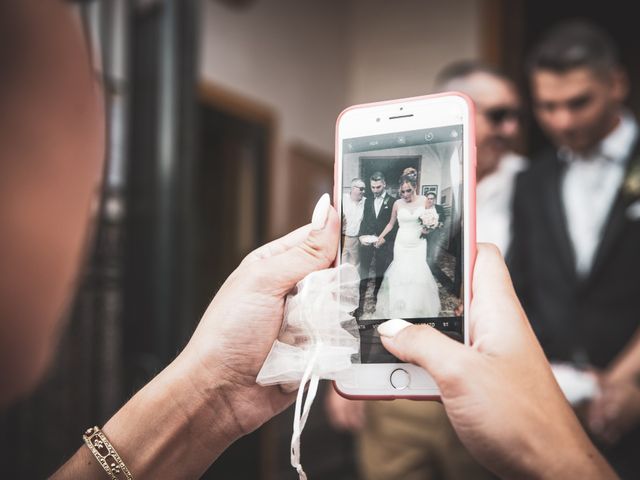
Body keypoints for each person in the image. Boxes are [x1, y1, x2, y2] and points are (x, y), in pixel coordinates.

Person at [1, 3, 619, 479]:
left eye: (518, 116)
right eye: (500, 115)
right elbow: (349, 260)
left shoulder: (535, 183)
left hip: (491, 381)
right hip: (390, 373)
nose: (520, 128)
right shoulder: (404, 195)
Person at [508, 19, 640, 477]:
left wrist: (626, 380)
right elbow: (520, 283)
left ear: (617, 83)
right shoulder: (530, 181)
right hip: (553, 405)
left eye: (578, 102)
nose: (562, 121)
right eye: (547, 107)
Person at [434, 60, 527, 257]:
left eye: (516, 116)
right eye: (498, 115)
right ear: (456, 112)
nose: (511, 129)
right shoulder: (429, 173)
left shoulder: (532, 180)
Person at [375, 174, 441, 318]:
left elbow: (433, 220)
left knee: (417, 273)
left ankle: (415, 307)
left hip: (418, 244)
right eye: (402, 191)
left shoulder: (424, 200)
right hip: (401, 243)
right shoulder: (397, 204)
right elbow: (391, 224)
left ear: (415, 187)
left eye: (408, 190)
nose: (405, 194)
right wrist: (380, 237)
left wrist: (428, 228)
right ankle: (399, 308)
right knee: (400, 273)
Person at [356, 172, 396, 317]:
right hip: (367, 243)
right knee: (363, 274)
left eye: (378, 187)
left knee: (380, 273)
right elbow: (364, 221)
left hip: (383, 244)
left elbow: (395, 225)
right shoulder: (366, 201)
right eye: (372, 187)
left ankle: (377, 300)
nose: (375, 190)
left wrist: (385, 239)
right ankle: (359, 306)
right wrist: (361, 236)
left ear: (384, 184)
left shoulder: (393, 202)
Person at [341, 178, 366, 269]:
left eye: (364, 189)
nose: (363, 191)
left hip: (355, 240)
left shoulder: (365, 202)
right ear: (352, 188)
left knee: (354, 267)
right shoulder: (342, 199)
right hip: (342, 239)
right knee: (341, 266)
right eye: (361, 189)